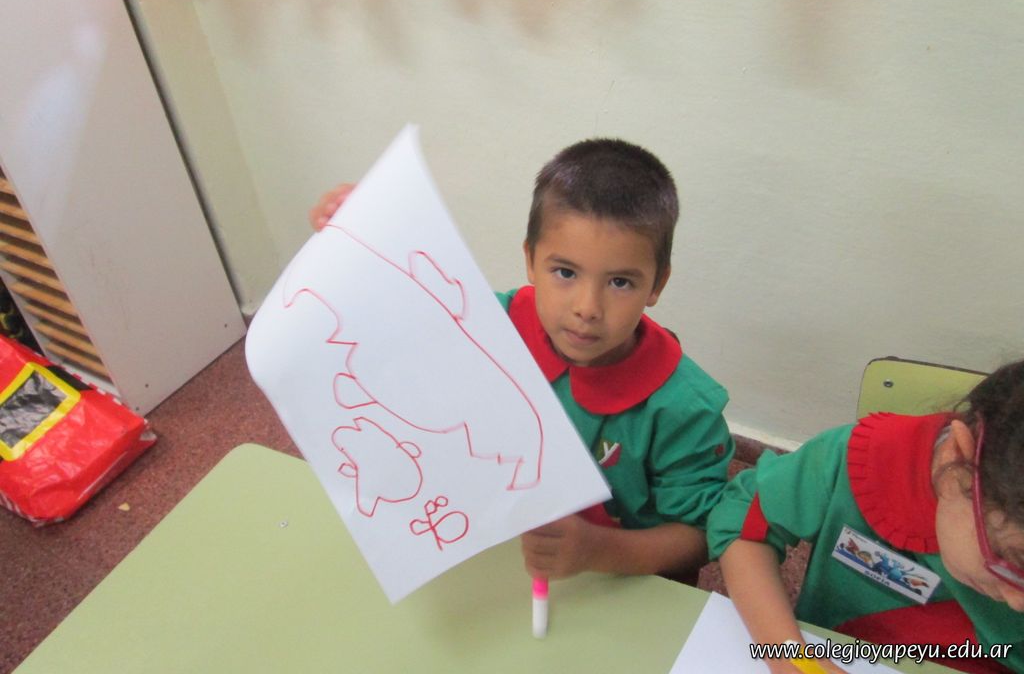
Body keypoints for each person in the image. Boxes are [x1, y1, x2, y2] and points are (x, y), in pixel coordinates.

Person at [310, 138, 734, 582]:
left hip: (625, 581)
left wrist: (597, 550)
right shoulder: (493, 325)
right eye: (565, 272)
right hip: (495, 554)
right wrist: (359, 235)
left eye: (621, 282)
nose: (587, 308)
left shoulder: (685, 409)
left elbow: (700, 536)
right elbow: (406, 313)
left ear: (657, 284)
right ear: (530, 260)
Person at [707, 359, 1024, 674]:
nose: (1017, 602)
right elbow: (742, 522)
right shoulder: (860, 463)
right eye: (1008, 561)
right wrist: (792, 657)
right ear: (955, 455)